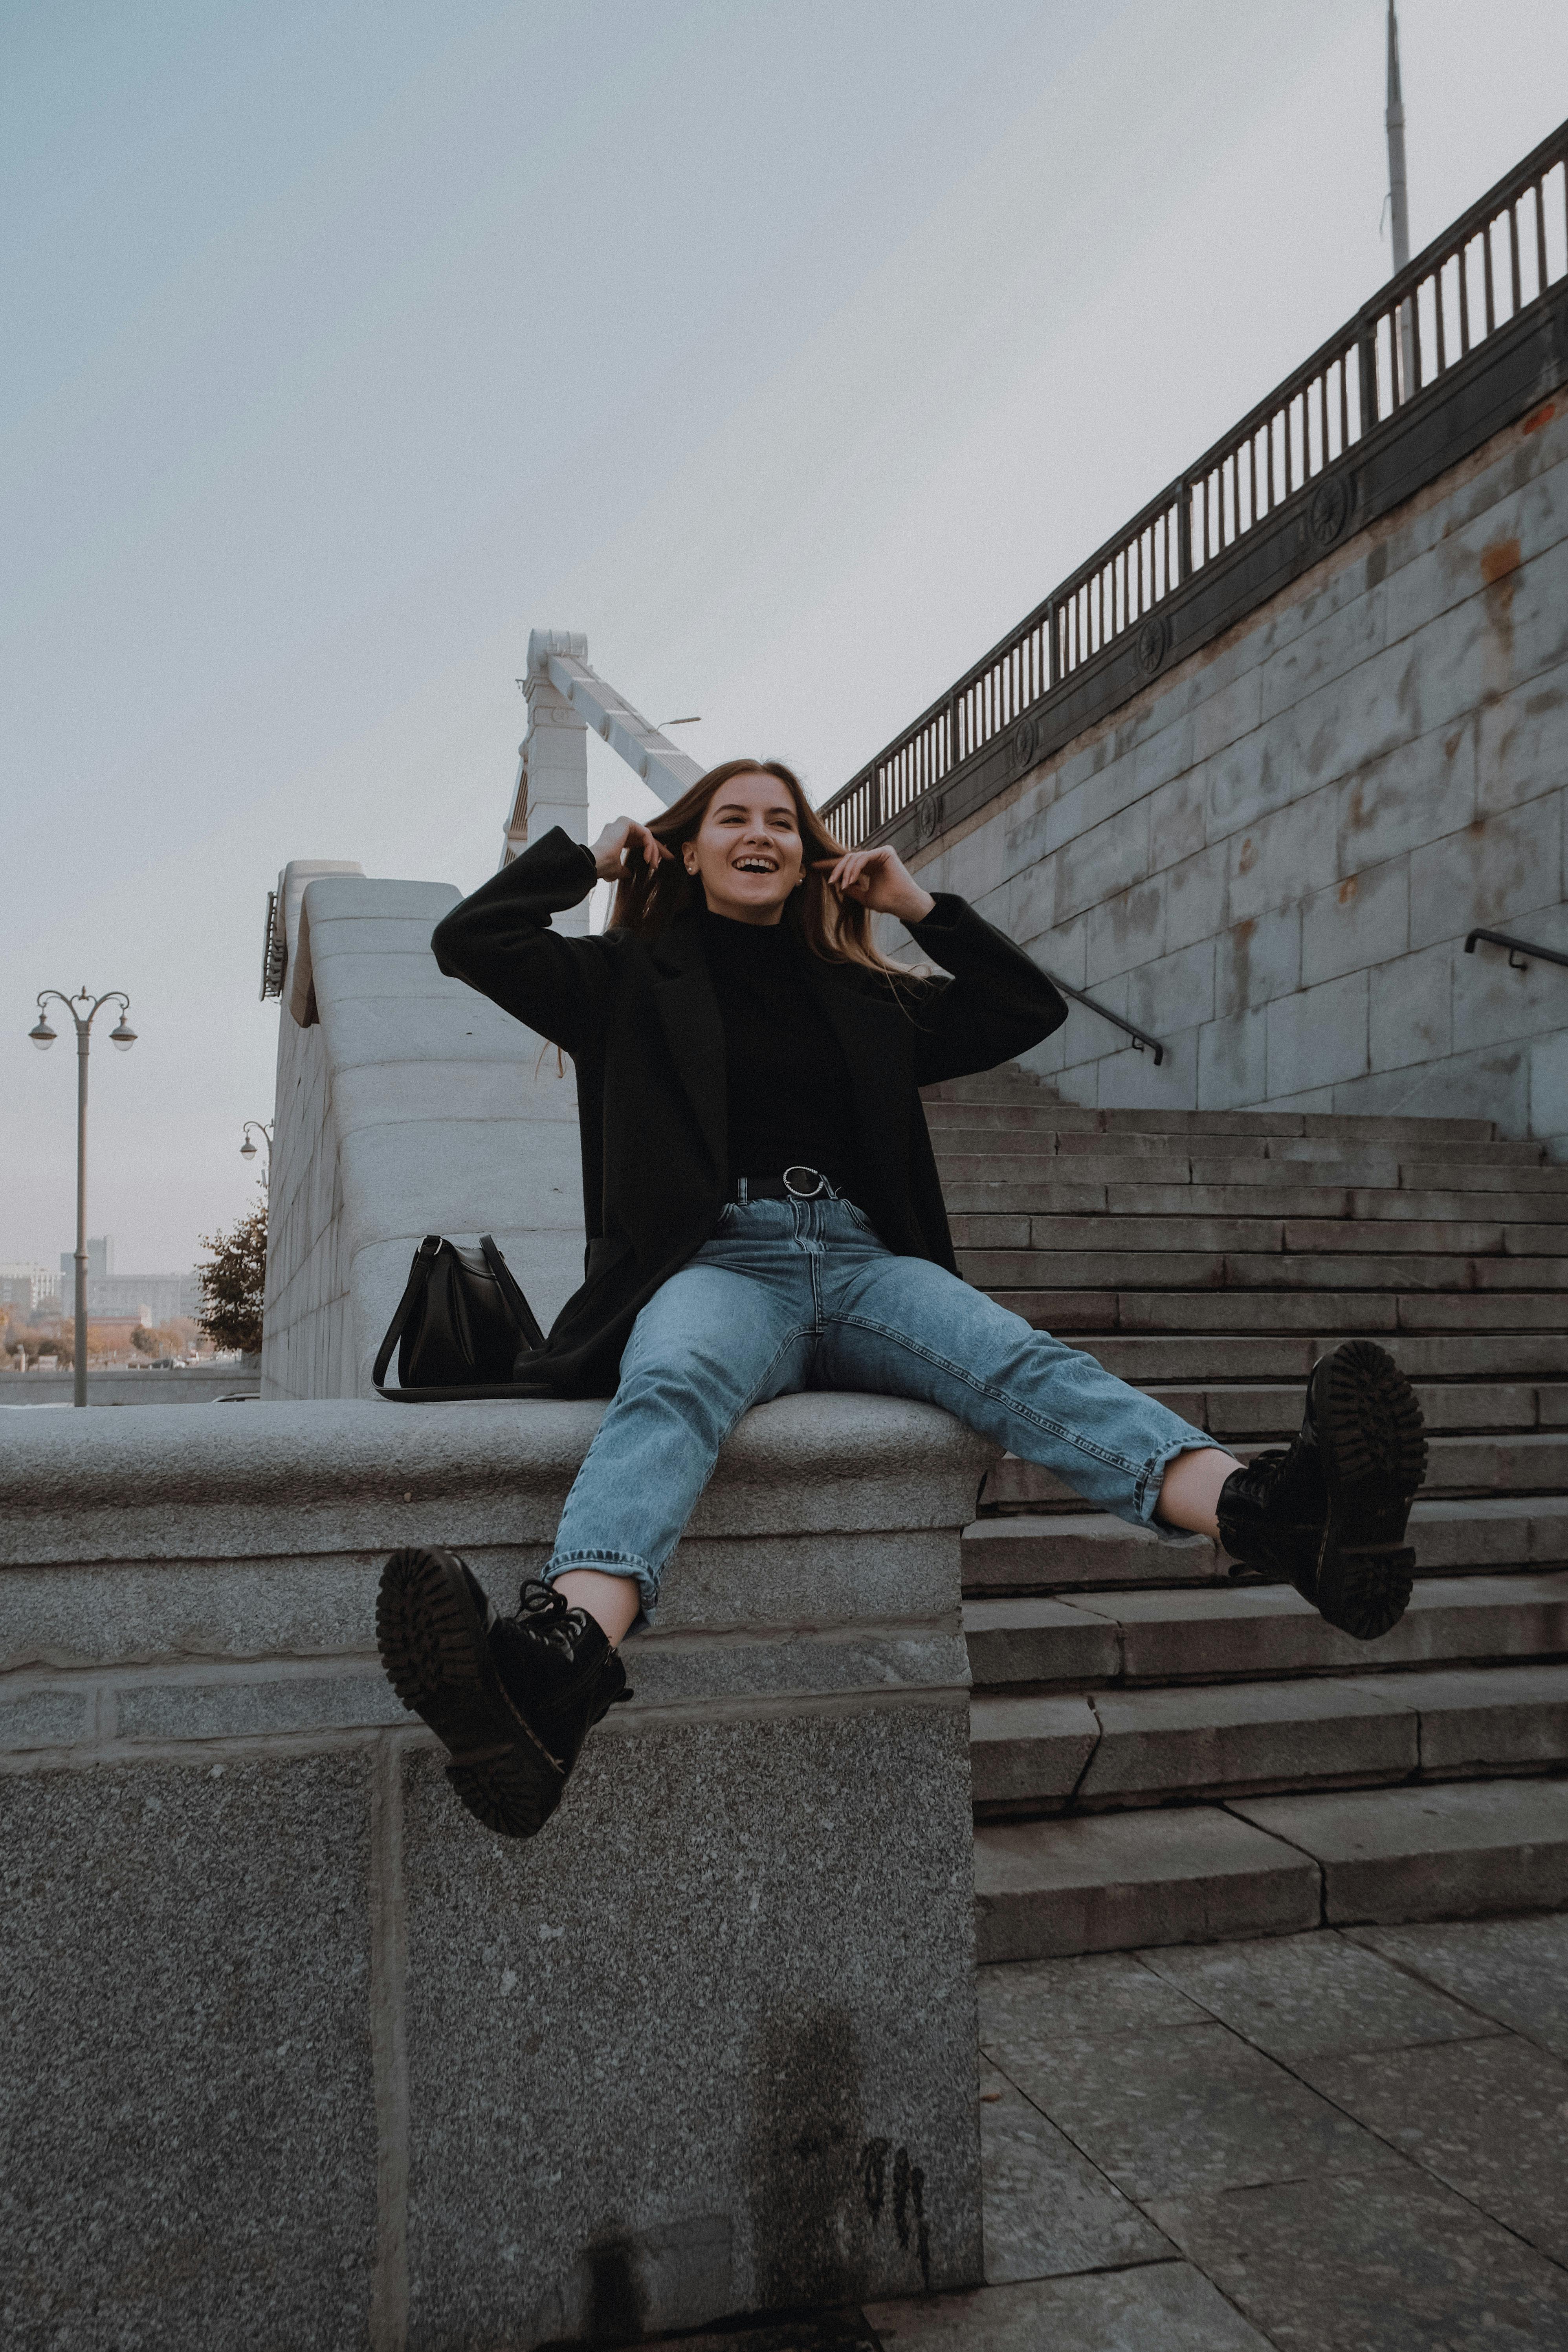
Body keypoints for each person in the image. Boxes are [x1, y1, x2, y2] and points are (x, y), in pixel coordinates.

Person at [375, 759, 1427, 1838]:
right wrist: (588, 860)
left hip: (865, 1259)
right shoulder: (629, 973)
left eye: (783, 823)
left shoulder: (864, 990)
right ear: (686, 848)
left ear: (809, 854)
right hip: (720, 1261)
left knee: (1024, 1365)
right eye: (732, 818)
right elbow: (472, 942)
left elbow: (1024, 1007)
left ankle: (1285, 1519)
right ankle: (557, 1668)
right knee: (676, 1375)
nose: (760, 834)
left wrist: (918, 906)